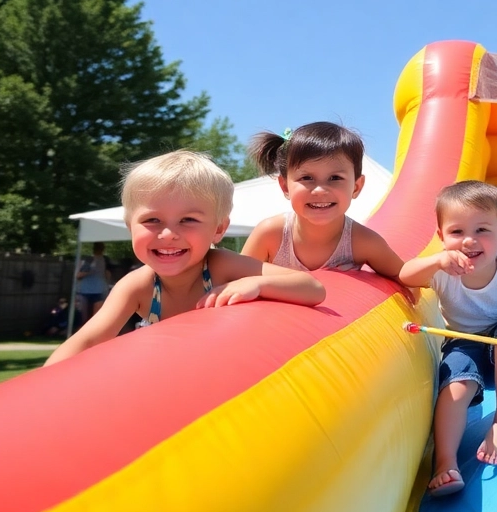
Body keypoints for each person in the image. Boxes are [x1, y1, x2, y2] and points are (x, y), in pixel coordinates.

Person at [44, 151, 326, 366]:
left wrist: (257, 284)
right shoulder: (138, 286)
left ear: (218, 229)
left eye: (188, 220)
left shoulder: (222, 267)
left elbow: (313, 288)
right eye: (152, 220)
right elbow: (88, 340)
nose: (168, 234)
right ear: (131, 227)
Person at [398, 181, 497, 497]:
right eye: (457, 232)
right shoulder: (442, 267)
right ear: (442, 237)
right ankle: (445, 462)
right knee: (455, 387)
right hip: (463, 341)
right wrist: (435, 261)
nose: (469, 240)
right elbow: (405, 276)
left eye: (482, 229)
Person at [241, 122, 403, 278]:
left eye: (335, 178)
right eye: (306, 177)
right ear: (285, 187)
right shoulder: (271, 234)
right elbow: (234, 275)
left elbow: (400, 274)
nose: (320, 190)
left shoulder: (361, 241)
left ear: (356, 187)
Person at [74, 242, 110, 321]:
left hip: (99, 290)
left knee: (96, 316)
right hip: (85, 291)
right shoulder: (88, 259)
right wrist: (89, 272)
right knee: (84, 316)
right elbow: (78, 275)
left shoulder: (105, 259)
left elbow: (107, 273)